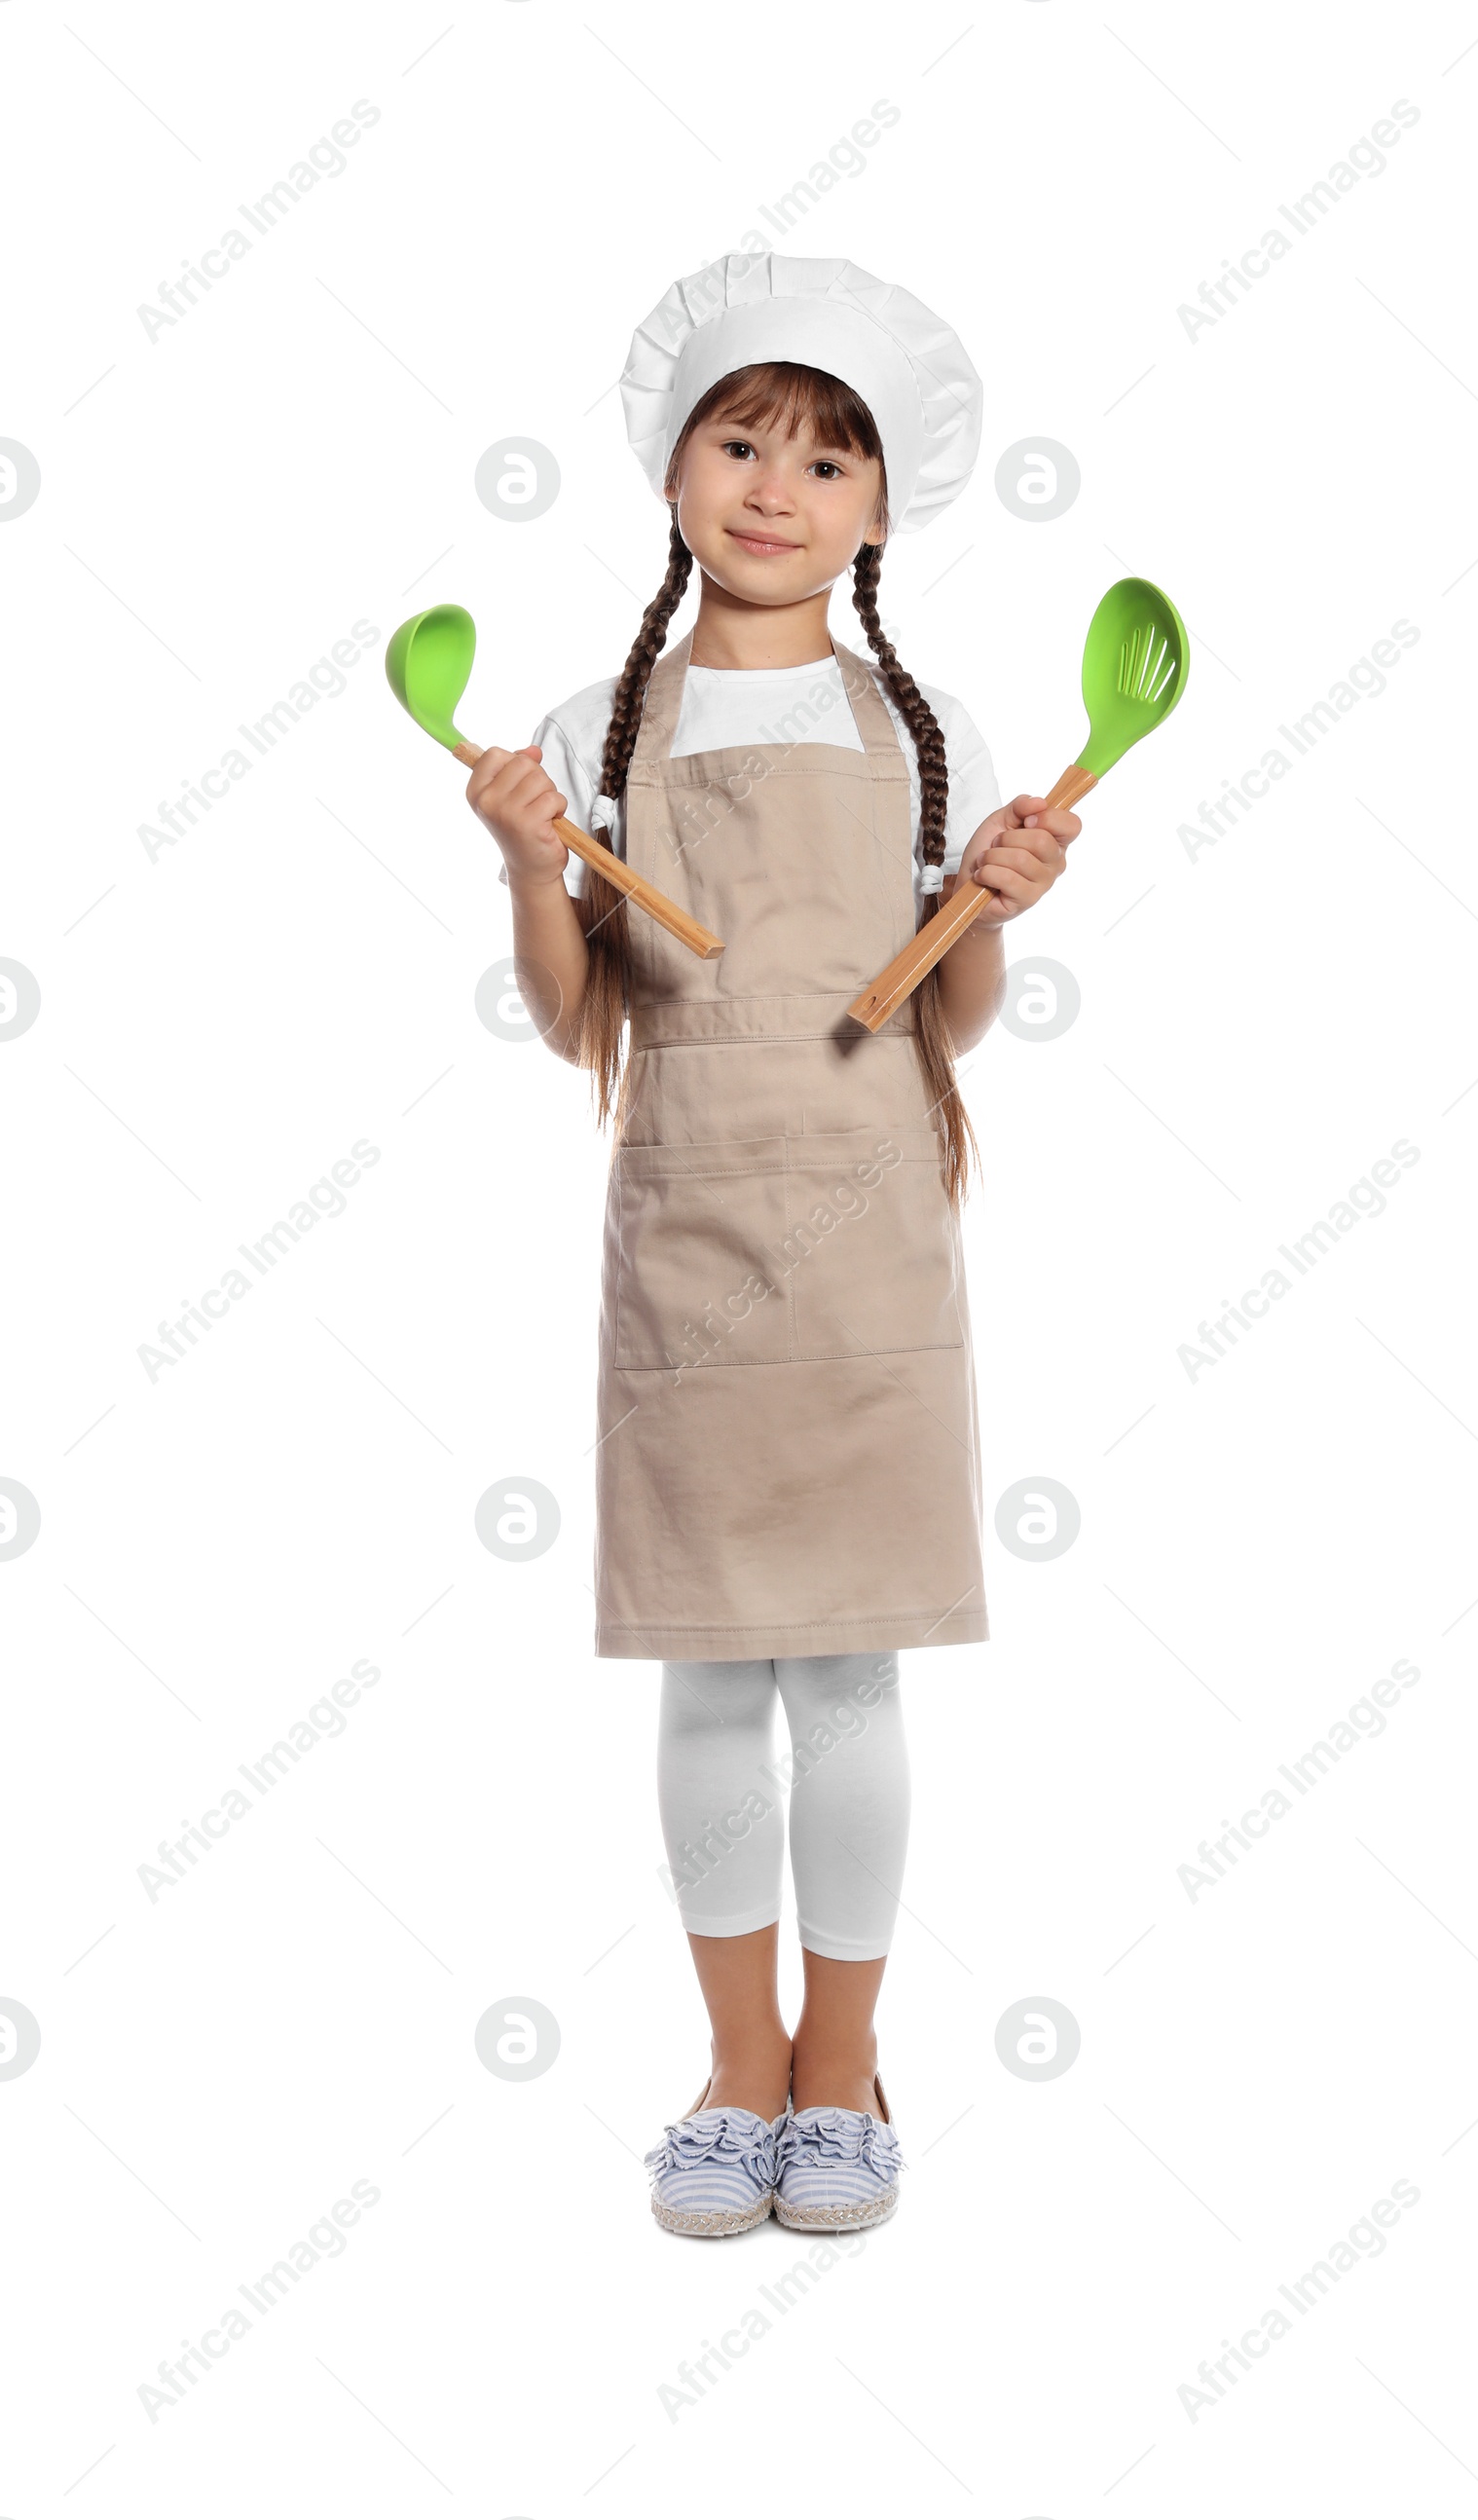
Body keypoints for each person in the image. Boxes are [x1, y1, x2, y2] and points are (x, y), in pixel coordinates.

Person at [462, 255, 1082, 2236]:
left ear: (881, 510)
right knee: (711, 1679)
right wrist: (527, 865)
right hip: (688, 1249)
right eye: (741, 439)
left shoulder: (922, 725)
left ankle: (843, 2068)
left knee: (847, 1680)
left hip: (874, 1258)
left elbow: (944, 1021)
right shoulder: (597, 719)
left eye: (826, 458)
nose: (773, 485)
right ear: (671, 470)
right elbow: (584, 1023)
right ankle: (735, 2067)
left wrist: (986, 900)